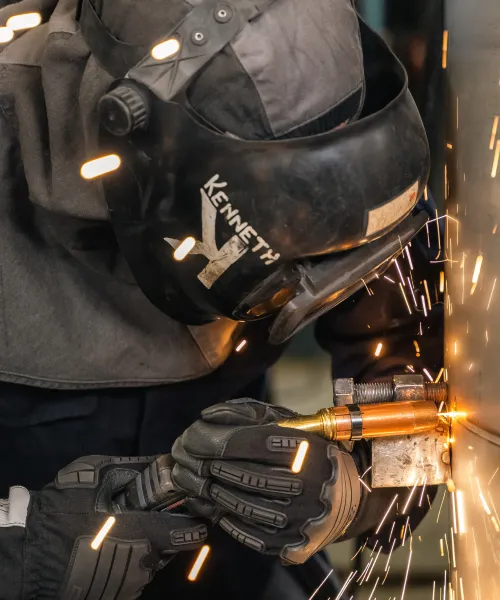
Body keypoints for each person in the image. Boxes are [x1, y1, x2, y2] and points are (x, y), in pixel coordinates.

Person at [0, 0, 443, 598]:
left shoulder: (325, 103)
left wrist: (357, 497)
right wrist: (19, 548)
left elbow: (412, 400)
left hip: (238, 568)